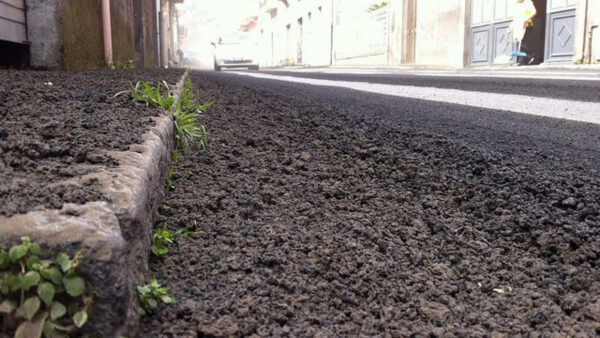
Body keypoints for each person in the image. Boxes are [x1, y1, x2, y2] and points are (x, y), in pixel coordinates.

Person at [507, 0, 537, 65]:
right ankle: (522, 61)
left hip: (526, 25)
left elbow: (533, 11)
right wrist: (510, 28)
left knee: (523, 42)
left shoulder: (528, 2)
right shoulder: (518, 5)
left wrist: (525, 19)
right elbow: (516, 19)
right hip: (519, 27)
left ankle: (533, 55)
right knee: (520, 43)